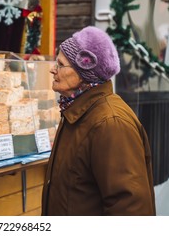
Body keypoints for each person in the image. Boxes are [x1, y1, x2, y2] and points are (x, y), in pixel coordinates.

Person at [41, 26, 156, 215]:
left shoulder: (110, 123)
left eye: (61, 65)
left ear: (85, 73)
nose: (53, 70)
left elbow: (130, 207)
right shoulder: (76, 110)